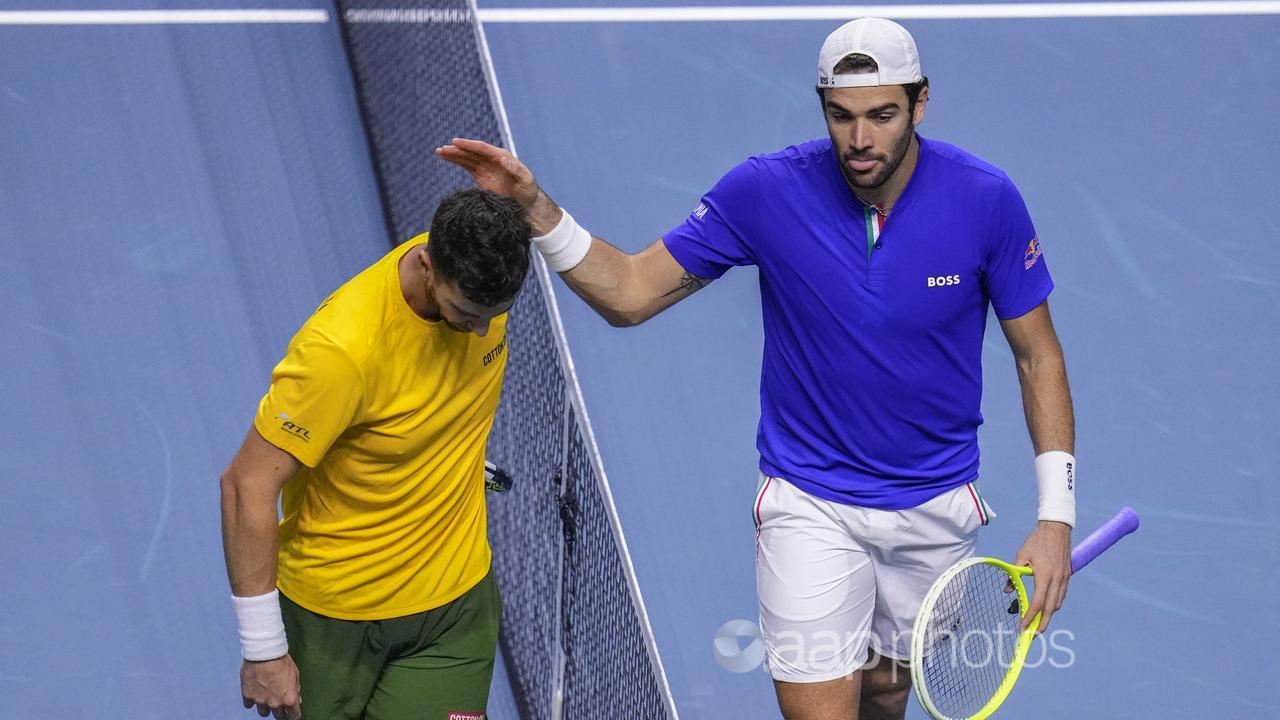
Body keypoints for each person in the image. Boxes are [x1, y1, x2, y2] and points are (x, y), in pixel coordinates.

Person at [439, 16, 1077, 720]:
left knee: (887, 696)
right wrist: (533, 206)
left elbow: (1036, 354)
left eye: (882, 115)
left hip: (935, 506)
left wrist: (1057, 517)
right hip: (811, 505)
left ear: (920, 103)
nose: (860, 139)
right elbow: (628, 292)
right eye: (841, 115)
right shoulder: (766, 193)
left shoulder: (986, 202)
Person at [219, 188, 531, 720]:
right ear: (427, 266)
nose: (481, 329)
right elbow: (245, 485)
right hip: (335, 619)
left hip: (455, 609)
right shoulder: (342, 351)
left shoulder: (484, 262)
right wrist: (263, 646)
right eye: (466, 313)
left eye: (495, 315)